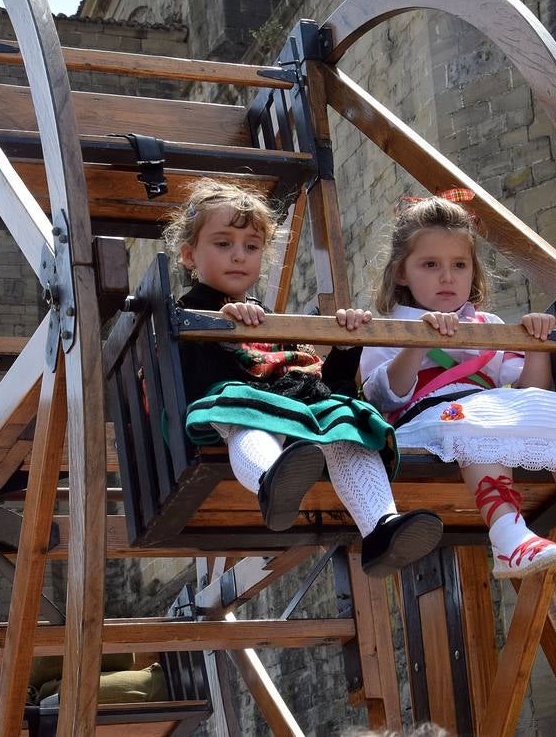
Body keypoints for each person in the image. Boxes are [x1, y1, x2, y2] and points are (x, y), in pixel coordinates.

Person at [360, 192, 556, 581]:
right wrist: (417, 342)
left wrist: (533, 346)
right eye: (430, 265)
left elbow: (528, 393)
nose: (447, 277)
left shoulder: (488, 324)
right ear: (402, 272)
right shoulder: (389, 329)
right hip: (430, 420)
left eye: (459, 265)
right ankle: (508, 535)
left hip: (491, 410)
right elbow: (382, 397)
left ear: (473, 271)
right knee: (472, 420)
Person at [162, 179, 443, 578]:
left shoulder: (274, 321)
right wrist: (222, 328)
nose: (239, 255)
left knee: (344, 420)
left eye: (252, 246)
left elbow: (321, 384)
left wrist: (346, 344)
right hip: (230, 413)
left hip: (294, 417)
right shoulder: (185, 315)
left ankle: (380, 526)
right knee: (245, 409)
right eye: (223, 244)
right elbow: (197, 381)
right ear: (190, 255)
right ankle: (270, 480)